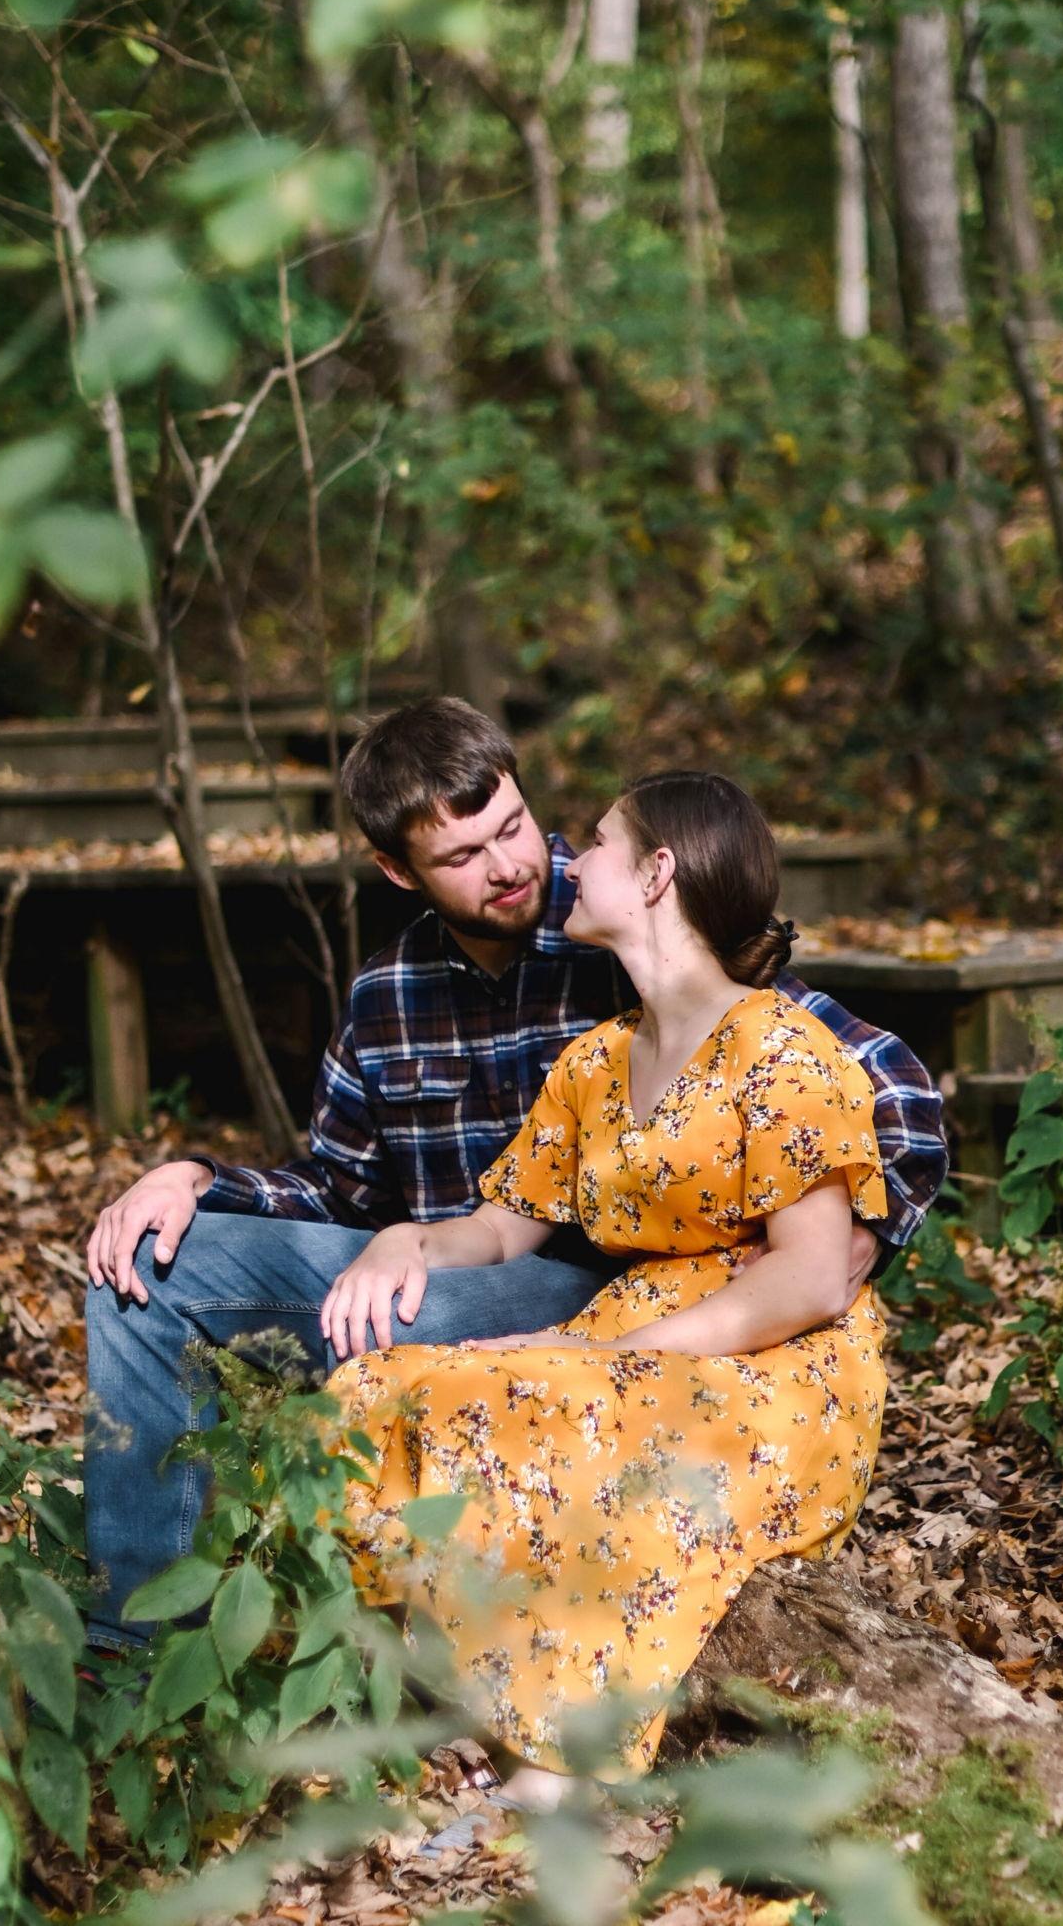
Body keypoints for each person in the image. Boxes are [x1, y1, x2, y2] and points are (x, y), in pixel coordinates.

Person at [80, 698, 946, 1653]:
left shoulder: (630, 911)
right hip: (470, 1255)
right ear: (398, 870)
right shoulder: (390, 997)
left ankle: (402, 1642)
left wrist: (848, 1234)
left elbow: (876, 1080)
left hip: (612, 1284)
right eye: (463, 855)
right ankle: (132, 1649)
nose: (511, 866)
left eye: (513, 826)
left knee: (395, 1345)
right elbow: (339, 1188)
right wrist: (195, 1179)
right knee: (146, 1270)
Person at [324, 772, 892, 1798]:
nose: (570, 861)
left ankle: (558, 1758)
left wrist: (608, 1354)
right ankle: (414, 1702)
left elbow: (811, 1279)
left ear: (657, 872)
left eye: (595, 842)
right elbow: (504, 1223)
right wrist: (404, 1240)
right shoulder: (596, 1060)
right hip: (637, 1322)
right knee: (374, 1392)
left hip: (775, 1360)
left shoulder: (784, 1051)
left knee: (558, 1401)